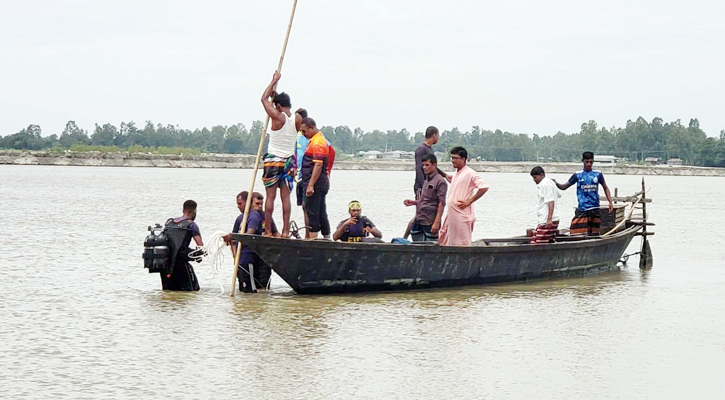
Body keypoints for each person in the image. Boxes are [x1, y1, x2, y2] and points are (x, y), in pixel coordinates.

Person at [261, 70, 302, 238]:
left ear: (277, 106)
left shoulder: (277, 117)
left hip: (273, 160)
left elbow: (263, 99)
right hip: (288, 162)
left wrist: (273, 80)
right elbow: (277, 104)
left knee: (270, 197)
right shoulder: (298, 118)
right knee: (286, 198)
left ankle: (268, 230)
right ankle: (285, 231)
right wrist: (276, 93)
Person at [438, 147, 489, 246]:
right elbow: (452, 180)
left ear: (464, 159)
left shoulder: (470, 173)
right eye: (452, 158)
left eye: (456, 158)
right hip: (452, 215)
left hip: (462, 215)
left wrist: (470, 201)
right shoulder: (457, 173)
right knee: (446, 239)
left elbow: (484, 187)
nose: (453, 160)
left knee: (462, 243)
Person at [554, 151, 613, 236]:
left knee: (594, 234)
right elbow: (564, 187)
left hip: (595, 208)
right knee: (577, 232)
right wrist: (555, 183)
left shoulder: (598, 174)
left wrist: (610, 202)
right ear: (583, 161)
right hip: (583, 209)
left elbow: (605, 187)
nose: (589, 164)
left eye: (591, 162)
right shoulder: (577, 175)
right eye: (587, 162)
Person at [299, 117, 333, 239]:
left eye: (304, 131)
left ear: (312, 128)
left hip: (316, 182)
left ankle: (313, 240)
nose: (303, 134)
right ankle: (326, 238)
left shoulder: (318, 142)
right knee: (321, 212)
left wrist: (311, 184)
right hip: (321, 182)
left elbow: (318, 165)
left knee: (313, 212)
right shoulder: (316, 140)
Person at [403, 153, 447, 242]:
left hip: (430, 221)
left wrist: (436, 222)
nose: (424, 167)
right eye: (423, 165)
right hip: (419, 219)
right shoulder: (426, 181)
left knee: (430, 247)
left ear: (434, 165)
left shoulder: (440, 182)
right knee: (416, 244)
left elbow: (441, 203)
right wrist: (414, 202)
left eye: (427, 165)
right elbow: (425, 200)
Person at [161, 200, 203, 291]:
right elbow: (201, 246)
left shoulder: (169, 223)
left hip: (165, 266)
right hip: (181, 265)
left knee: (169, 292)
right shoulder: (191, 225)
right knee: (192, 291)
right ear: (193, 211)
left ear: (183, 210)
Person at [414, 126, 450, 198]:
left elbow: (433, 167)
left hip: (430, 185)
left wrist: (445, 175)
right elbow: (419, 169)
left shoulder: (429, 149)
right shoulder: (421, 149)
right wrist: (424, 187)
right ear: (434, 135)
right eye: (438, 136)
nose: (438, 138)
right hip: (422, 186)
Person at [529, 166, 561, 244]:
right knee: (539, 241)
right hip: (550, 219)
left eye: (535, 177)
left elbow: (551, 201)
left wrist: (549, 219)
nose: (534, 180)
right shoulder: (550, 182)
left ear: (541, 175)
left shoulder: (545, 184)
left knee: (538, 243)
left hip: (547, 220)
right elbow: (558, 195)